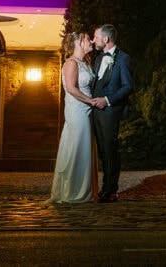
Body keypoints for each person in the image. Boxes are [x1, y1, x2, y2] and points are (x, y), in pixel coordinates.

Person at [47, 31, 97, 203]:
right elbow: (71, 88)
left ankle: (82, 189)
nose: (91, 41)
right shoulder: (71, 63)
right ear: (78, 43)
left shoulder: (85, 63)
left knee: (84, 146)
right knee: (77, 146)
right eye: (87, 39)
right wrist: (90, 101)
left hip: (87, 110)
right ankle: (73, 191)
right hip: (77, 110)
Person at [91, 24, 133, 203]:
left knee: (110, 150)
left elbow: (128, 86)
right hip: (96, 112)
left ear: (106, 39)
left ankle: (111, 190)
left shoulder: (123, 59)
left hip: (110, 111)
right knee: (102, 151)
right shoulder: (98, 59)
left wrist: (107, 100)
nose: (93, 40)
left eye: (96, 37)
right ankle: (105, 187)